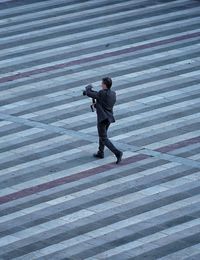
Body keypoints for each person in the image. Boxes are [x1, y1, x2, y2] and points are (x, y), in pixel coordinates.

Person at [84, 77, 123, 164]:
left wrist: (88, 88)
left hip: (102, 119)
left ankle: (118, 153)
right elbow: (102, 99)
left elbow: (92, 94)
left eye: (102, 83)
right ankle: (100, 152)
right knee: (102, 136)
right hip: (109, 118)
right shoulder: (113, 93)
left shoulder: (102, 93)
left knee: (104, 138)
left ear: (105, 84)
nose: (101, 84)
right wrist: (97, 104)